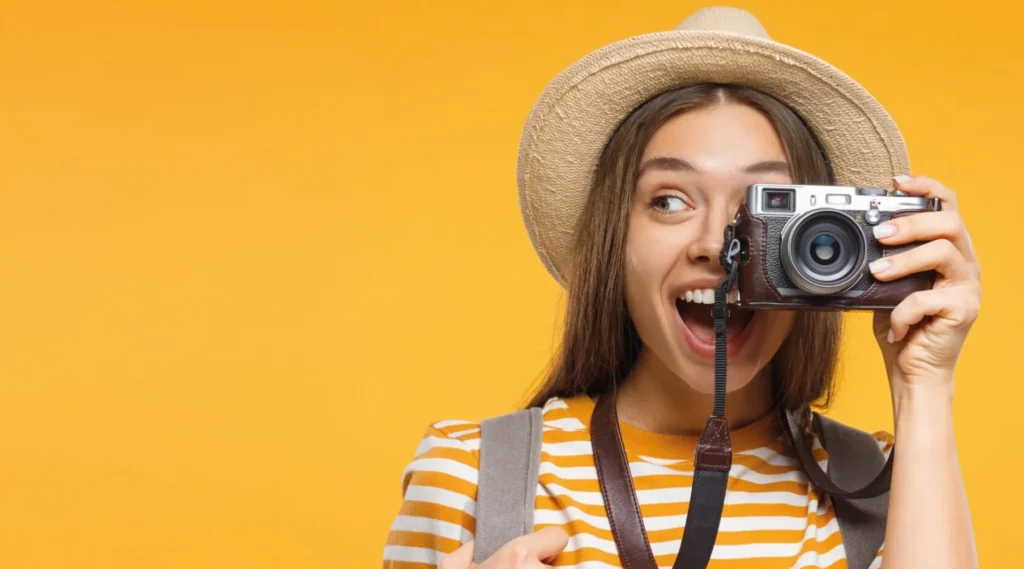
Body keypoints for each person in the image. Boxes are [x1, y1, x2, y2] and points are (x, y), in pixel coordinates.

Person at [382, 6, 981, 569]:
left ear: (824, 248)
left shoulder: (888, 489)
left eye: (761, 207)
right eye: (669, 200)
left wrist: (923, 385)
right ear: (615, 238)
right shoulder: (473, 475)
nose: (718, 244)